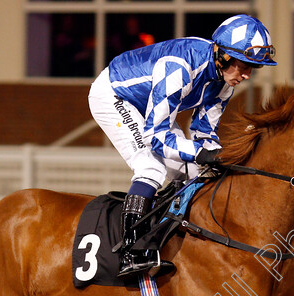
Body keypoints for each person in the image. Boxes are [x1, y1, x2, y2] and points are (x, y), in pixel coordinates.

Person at [88, 14, 276, 277]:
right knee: (151, 167)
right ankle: (130, 251)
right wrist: (202, 153)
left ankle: (170, 240)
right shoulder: (179, 68)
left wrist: (217, 156)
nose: (246, 75)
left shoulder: (223, 83)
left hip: (151, 106)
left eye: (252, 68)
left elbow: (204, 134)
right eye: (243, 65)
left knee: (190, 172)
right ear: (222, 55)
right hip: (116, 95)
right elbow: (156, 136)